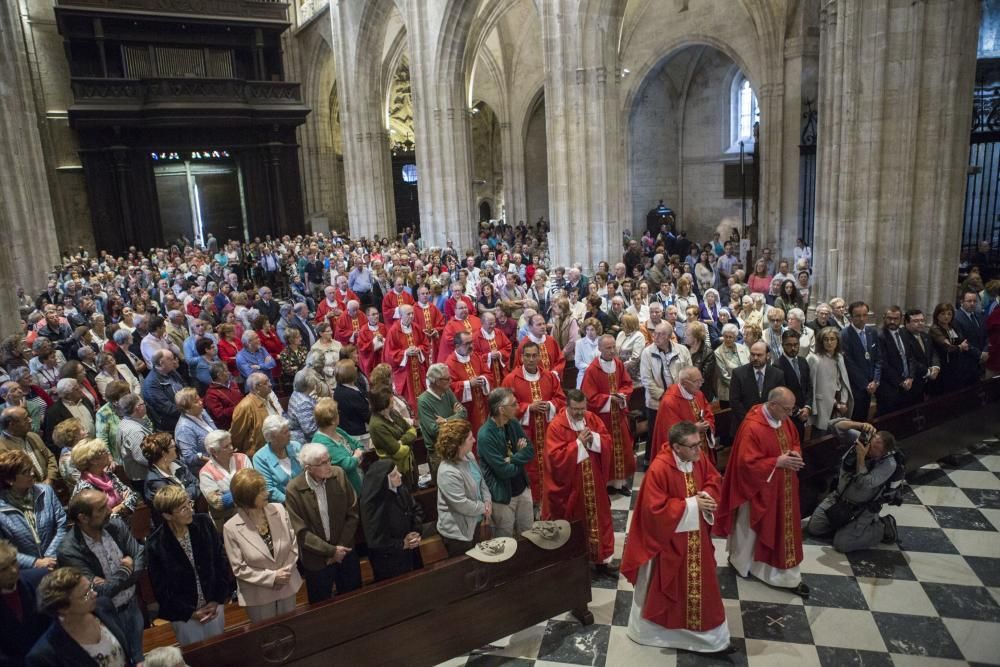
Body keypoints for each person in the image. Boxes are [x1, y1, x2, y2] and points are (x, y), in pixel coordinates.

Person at [621, 421, 729, 653]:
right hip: (667, 543)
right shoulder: (659, 468)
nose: (699, 450)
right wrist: (692, 504)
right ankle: (658, 634)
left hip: (695, 537)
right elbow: (653, 511)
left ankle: (708, 638)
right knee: (666, 590)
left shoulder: (697, 459)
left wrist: (708, 495)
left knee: (703, 587)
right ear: (676, 447)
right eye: (692, 447)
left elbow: (713, 478)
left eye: (699, 444)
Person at [715, 388, 809, 597]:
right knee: (751, 529)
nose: (789, 413)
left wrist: (794, 454)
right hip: (757, 490)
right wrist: (776, 461)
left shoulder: (783, 419)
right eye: (786, 409)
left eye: (791, 409)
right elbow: (745, 463)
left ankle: (782, 573)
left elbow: (794, 440)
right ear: (773, 405)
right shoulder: (752, 427)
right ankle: (745, 563)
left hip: (783, 487)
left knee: (783, 529)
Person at [56, 489, 146, 661]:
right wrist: (125, 570)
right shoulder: (69, 551)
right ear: (83, 518)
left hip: (133, 607)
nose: (110, 510)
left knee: (140, 659)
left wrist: (111, 582)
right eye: (101, 508)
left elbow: (139, 556)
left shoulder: (116, 526)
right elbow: (99, 592)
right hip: (106, 619)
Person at [146, 485, 231, 646]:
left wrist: (216, 599)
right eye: (182, 508)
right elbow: (162, 588)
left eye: (189, 504)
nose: (190, 510)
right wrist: (191, 613)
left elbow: (220, 561)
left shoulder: (204, 523)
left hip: (214, 605)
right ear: (167, 515)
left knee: (221, 652)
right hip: (185, 616)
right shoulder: (156, 544)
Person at [542, 390, 616, 574]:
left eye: (582, 408)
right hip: (571, 487)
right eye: (575, 409)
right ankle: (575, 564)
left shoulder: (592, 419)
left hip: (594, 483)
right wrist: (578, 444)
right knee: (576, 523)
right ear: (567, 406)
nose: (579, 413)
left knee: (600, 519)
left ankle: (601, 561)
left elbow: (607, 440)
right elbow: (554, 458)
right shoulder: (557, 427)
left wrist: (594, 440)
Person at [806, 421, 903, 552]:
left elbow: (865, 482)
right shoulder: (862, 442)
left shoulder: (888, 465)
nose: (869, 448)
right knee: (815, 528)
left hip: (861, 509)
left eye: (875, 449)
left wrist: (861, 457)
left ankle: (883, 527)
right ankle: (845, 527)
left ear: (883, 453)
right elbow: (836, 426)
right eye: (871, 443)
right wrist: (860, 426)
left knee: (842, 544)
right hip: (838, 498)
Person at [284, 443, 361, 604]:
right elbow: (301, 531)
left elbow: (352, 513)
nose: (329, 466)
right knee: (322, 610)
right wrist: (331, 551)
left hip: (345, 552)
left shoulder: (338, 475)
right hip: (317, 560)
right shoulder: (294, 489)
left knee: (355, 602)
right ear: (308, 468)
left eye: (329, 460)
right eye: (322, 463)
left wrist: (340, 548)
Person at [222, 468, 303, 623]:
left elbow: (293, 544)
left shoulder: (279, 510)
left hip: (288, 585)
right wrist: (272, 578)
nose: (267, 493)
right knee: (267, 640)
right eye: (262, 490)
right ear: (248, 497)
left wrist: (284, 574)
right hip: (259, 596)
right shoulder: (231, 528)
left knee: (292, 630)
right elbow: (239, 568)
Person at [27, 566, 142, 666]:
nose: (94, 594)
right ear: (63, 608)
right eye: (85, 594)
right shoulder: (45, 654)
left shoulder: (104, 606)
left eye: (91, 588)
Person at [476, 388, 534, 538]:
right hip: (503, 497)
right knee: (505, 539)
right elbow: (504, 471)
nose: (517, 407)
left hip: (522, 488)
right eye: (513, 404)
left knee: (528, 533)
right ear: (501, 409)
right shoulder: (485, 435)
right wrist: (520, 455)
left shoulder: (513, 423)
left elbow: (530, 451)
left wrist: (514, 458)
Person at [581, 334, 635, 496]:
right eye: (608, 348)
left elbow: (627, 384)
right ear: (599, 349)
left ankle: (621, 483)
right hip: (602, 419)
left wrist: (622, 396)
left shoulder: (618, 364)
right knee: (606, 449)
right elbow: (589, 396)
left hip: (618, 415)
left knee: (623, 448)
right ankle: (607, 483)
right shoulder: (592, 369)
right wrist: (609, 399)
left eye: (614, 347)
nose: (612, 351)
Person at [0, 450, 66, 571]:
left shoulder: (46, 492)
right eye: (25, 472)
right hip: (25, 572)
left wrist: (50, 556)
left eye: (31, 469)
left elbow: (62, 524)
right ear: (10, 480)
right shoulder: (2, 509)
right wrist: (35, 562)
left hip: (56, 562)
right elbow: (2, 549)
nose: (32, 474)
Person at [360, 459, 424, 582]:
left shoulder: (400, 489)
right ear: (383, 481)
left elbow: (416, 509)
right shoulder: (372, 504)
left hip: (411, 550)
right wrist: (402, 544)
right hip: (389, 560)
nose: (400, 475)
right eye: (394, 475)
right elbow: (375, 540)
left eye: (398, 472)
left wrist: (416, 531)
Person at [435, 420, 491, 557]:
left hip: (474, 520)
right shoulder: (447, 471)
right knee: (465, 571)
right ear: (459, 444)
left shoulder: (469, 456)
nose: (474, 440)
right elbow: (461, 504)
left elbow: (481, 482)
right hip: (458, 532)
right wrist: (484, 508)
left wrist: (488, 500)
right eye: (470, 438)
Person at [0, 540, 52, 662]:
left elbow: (58, 622)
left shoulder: (41, 580)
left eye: (14, 562)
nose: (13, 570)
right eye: (3, 569)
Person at [650, 367, 715, 464]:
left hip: (702, 445)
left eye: (701, 380)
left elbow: (708, 413)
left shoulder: (699, 394)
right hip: (685, 452)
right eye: (696, 381)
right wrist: (694, 428)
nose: (700, 384)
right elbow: (671, 432)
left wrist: (707, 424)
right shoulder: (669, 402)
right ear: (684, 383)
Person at [727, 341, 785, 437]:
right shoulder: (738, 373)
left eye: (759, 355)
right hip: (744, 425)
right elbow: (734, 401)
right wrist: (751, 421)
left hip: (769, 425)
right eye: (752, 354)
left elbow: (779, 400)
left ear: (768, 355)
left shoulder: (777, 374)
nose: (755, 358)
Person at [71, 440, 139, 520]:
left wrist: (118, 508)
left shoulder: (109, 475)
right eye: (104, 451)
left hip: (123, 529)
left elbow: (133, 497)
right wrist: (124, 506)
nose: (108, 453)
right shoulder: (85, 490)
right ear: (94, 461)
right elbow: (99, 520)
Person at [199, 429, 252, 532]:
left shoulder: (242, 458)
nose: (231, 448)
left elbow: (254, 485)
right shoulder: (206, 473)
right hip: (228, 522)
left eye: (230, 444)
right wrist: (243, 490)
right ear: (213, 451)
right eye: (226, 447)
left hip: (251, 513)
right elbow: (218, 503)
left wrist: (227, 494)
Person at [142, 432, 200, 523]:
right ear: (164, 453)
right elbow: (175, 503)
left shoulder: (178, 464)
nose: (176, 448)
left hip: (192, 516)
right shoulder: (154, 481)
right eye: (173, 446)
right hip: (174, 525)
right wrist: (188, 495)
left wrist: (185, 495)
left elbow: (195, 483)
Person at [311, 397, 365, 495]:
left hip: (358, 477)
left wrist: (356, 456)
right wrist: (357, 456)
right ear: (332, 420)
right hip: (347, 488)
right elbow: (347, 465)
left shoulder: (337, 430)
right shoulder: (322, 442)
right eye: (337, 412)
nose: (339, 414)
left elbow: (358, 444)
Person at [383, 305, 430, 413]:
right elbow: (389, 354)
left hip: (418, 369)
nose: (412, 316)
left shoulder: (416, 327)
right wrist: (405, 353)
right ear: (400, 316)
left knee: (422, 397)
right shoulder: (394, 331)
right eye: (408, 314)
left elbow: (425, 344)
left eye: (412, 313)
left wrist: (419, 349)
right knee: (408, 400)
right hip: (404, 372)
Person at [840, 301, 882, 420]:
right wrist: (865, 384)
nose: (862, 319)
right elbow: (849, 363)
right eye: (858, 316)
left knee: (865, 416)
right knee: (855, 417)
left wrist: (876, 380)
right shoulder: (844, 335)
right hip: (856, 386)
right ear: (851, 317)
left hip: (871, 383)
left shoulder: (872, 332)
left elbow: (878, 358)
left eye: (864, 315)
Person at [446, 331, 491, 436]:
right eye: (467, 344)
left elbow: (488, 373)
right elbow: (450, 387)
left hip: (482, 404)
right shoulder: (450, 363)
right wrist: (468, 384)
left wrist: (483, 379)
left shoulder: (475, 356)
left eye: (471, 342)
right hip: (467, 408)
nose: (471, 346)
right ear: (457, 346)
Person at [368, 387, 417, 483]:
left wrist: (402, 441)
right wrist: (409, 444)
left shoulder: (393, 412)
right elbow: (398, 452)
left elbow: (412, 430)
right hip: (394, 471)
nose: (393, 399)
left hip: (409, 464)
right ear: (383, 402)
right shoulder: (377, 425)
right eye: (391, 398)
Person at [252, 415, 303, 503]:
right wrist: (293, 503)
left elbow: (308, 473)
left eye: (288, 430)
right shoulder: (260, 458)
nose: (289, 434)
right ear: (272, 437)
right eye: (285, 432)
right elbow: (270, 490)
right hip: (285, 505)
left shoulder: (296, 446)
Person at [0, 406, 57, 485]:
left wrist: (50, 478)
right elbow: (8, 479)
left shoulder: (33, 436)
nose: (30, 420)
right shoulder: (2, 449)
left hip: (48, 485)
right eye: (26, 418)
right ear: (12, 424)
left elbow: (50, 458)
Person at [773, 330, 813, 441]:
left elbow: (809, 387)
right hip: (788, 416)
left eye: (796, 345)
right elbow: (781, 396)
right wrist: (798, 412)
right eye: (789, 345)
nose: (793, 348)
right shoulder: (777, 365)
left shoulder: (803, 361)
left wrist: (807, 407)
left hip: (804, 412)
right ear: (782, 345)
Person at [231, 372, 283, 456]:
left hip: (275, 446)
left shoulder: (267, 398)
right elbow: (237, 436)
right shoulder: (245, 406)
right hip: (259, 453)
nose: (270, 384)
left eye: (269, 381)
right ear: (257, 387)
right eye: (266, 383)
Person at [173, 387, 216, 472]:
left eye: (199, 399)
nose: (201, 402)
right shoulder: (184, 429)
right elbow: (190, 458)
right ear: (187, 408)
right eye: (196, 402)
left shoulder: (202, 411)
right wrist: (213, 461)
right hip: (205, 469)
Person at [141, 349, 185, 431]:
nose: (175, 361)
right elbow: (167, 408)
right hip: (172, 422)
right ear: (161, 363)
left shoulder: (172, 371)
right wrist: (188, 412)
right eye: (171, 359)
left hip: (184, 411)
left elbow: (185, 387)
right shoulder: (151, 384)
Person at [473, 311, 513, 387]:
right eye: (490, 323)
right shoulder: (476, 337)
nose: (493, 326)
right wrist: (488, 356)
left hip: (500, 370)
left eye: (494, 323)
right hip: (487, 371)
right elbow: (474, 356)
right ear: (482, 323)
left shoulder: (499, 332)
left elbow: (508, 346)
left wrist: (500, 353)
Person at [356, 306, 387, 375]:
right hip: (371, 361)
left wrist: (383, 340)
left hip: (382, 360)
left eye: (377, 314)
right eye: (373, 314)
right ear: (367, 316)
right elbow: (362, 349)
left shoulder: (383, 327)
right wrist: (374, 341)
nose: (376, 316)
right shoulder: (363, 330)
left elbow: (390, 343)